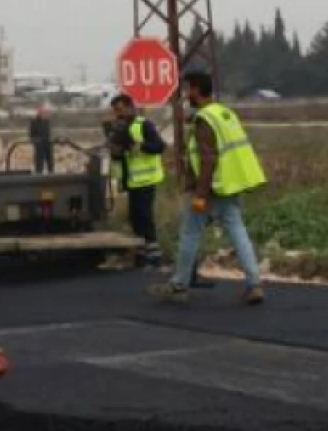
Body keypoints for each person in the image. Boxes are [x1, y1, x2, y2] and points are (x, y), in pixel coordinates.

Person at [148, 73, 266, 306]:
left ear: (196, 89)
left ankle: (179, 285)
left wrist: (200, 193)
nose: (186, 95)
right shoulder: (224, 113)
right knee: (237, 231)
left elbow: (208, 158)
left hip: (212, 187)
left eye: (188, 89)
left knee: (190, 233)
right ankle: (254, 284)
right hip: (230, 184)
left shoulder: (205, 120)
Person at [108, 93, 167, 267]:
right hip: (132, 181)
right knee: (135, 217)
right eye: (115, 111)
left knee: (144, 216)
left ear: (129, 107)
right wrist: (116, 150)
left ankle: (154, 253)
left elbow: (159, 146)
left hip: (147, 179)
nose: (118, 114)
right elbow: (119, 157)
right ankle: (141, 252)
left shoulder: (144, 125)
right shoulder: (119, 128)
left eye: (120, 109)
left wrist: (137, 145)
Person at [28, 105, 54, 174]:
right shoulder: (34, 122)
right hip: (39, 144)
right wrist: (35, 141)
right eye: (42, 112)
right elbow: (31, 134)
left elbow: (48, 133)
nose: (44, 114)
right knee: (39, 162)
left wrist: (50, 140)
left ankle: (51, 174)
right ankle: (39, 174)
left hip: (47, 143)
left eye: (45, 112)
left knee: (50, 160)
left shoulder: (47, 121)